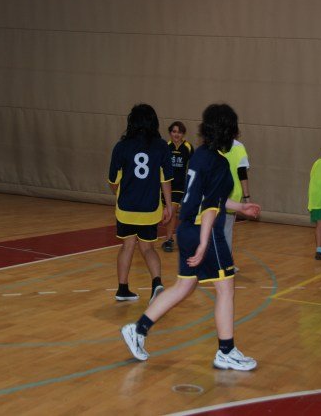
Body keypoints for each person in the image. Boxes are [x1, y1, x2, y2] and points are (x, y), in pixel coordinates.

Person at [121, 104, 261, 371]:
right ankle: (226, 351)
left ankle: (138, 330)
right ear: (229, 131)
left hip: (186, 228)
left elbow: (210, 198)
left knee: (183, 286)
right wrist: (205, 242)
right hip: (203, 231)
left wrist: (240, 207)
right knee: (226, 289)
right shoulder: (219, 163)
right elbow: (209, 208)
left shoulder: (199, 155)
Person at [108, 104, 173, 303]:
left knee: (127, 246)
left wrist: (121, 193)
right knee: (148, 248)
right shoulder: (161, 146)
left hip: (126, 208)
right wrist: (169, 206)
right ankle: (157, 284)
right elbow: (165, 179)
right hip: (150, 208)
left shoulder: (121, 147)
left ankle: (122, 289)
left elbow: (113, 181)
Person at [161, 121, 193, 253]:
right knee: (167, 213)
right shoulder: (165, 147)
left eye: (179, 132)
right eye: (174, 131)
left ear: (183, 134)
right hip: (165, 185)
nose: (176, 134)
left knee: (171, 211)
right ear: (170, 133)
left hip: (179, 186)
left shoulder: (188, 147)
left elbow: (193, 167)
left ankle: (169, 240)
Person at [223, 136, 250, 269]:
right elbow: (242, 173)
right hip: (232, 195)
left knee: (215, 228)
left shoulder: (213, 144)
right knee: (226, 230)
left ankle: (223, 263)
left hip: (215, 193)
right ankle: (227, 264)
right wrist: (247, 197)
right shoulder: (239, 147)